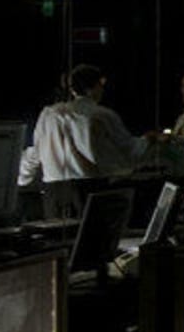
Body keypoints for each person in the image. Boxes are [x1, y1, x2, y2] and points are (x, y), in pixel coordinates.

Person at [18, 64, 152, 217]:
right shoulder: (101, 115)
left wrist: (22, 177)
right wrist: (148, 139)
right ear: (93, 88)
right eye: (100, 86)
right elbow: (129, 149)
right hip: (89, 189)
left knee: (57, 232)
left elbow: (37, 151)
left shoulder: (48, 114)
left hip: (53, 193)